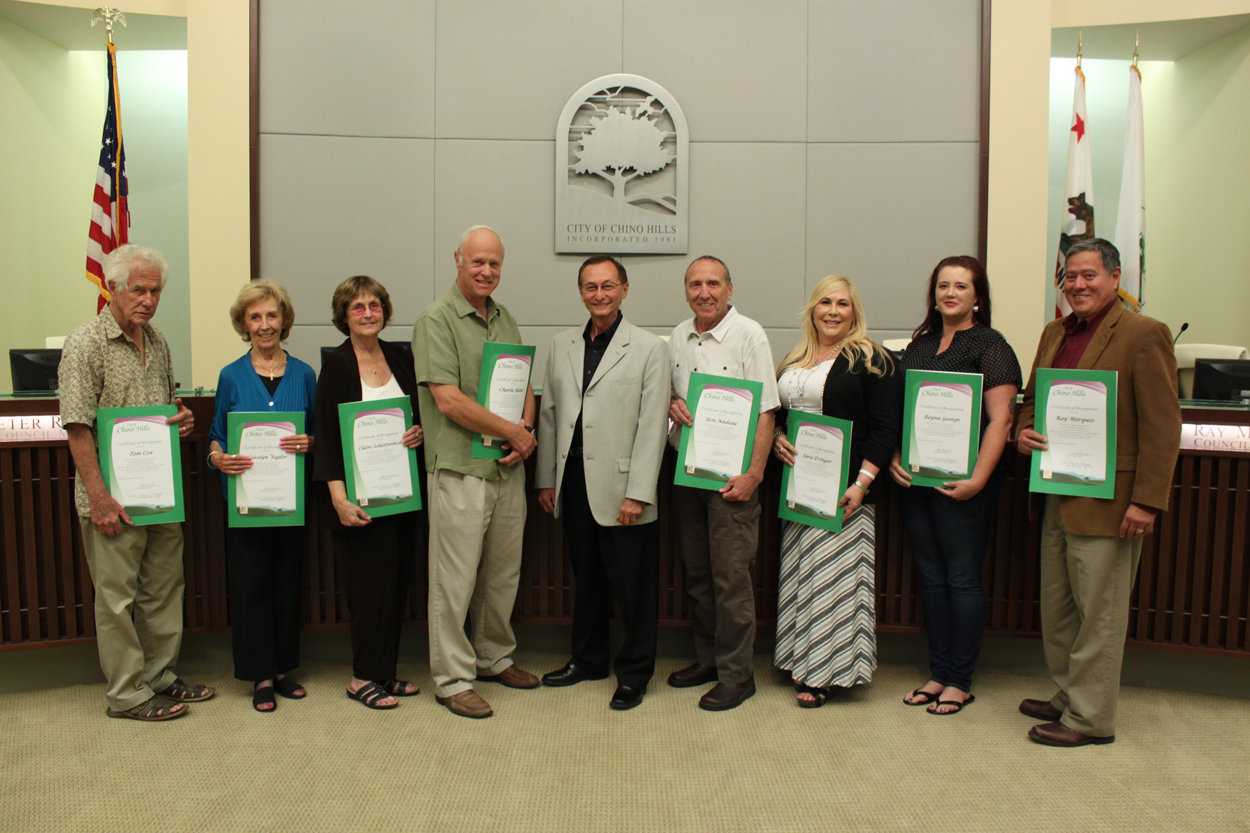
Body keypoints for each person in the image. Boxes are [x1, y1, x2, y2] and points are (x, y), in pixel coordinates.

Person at [1015, 238, 1181, 747]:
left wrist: (1147, 501)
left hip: (1111, 501)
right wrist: (1023, 431)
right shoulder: (1054, 332)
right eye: (1070, 276)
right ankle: (1069, 694)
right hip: (1054, 491)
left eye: (1089, 275)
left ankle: (1090, 719)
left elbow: (1163, 425)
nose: (1078, 285)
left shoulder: (1144, 334)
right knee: (1059, 607)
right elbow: (1031, 399)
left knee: (1100, 613)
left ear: (1114, 277)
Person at [58, 244, 213, 721]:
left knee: (164, 587)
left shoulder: (158, 340)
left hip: (160, 493)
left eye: (155, 291)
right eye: (138, 290)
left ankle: (159, 676)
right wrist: (99, 499)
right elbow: (77, 427)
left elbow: (167, 407)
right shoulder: (86, 343)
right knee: (117, 597)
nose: (148, 300)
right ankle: (127, 694)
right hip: (113, 498)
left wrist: (183, 420)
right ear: (113, 288)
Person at [414, 225, 540, 720]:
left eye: (494, 263)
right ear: (458, 261)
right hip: (460, 468)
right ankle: (452, 679)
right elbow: (448, 400)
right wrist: (514, 433)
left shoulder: (505, 318)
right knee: (455, 581)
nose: (486, 271)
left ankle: (492, 657)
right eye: (477, 261)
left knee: (502, 574)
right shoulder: (436, 319)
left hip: (506, 468)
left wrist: (524, 428)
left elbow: (523, 381)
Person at [536, 256, 670, 711]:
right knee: (587, 579)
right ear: (580, 293)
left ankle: (634, 674)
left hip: (623, 487)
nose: (600, 294)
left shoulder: (649, 348)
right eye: (591, 287)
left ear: (624, 289)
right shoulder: (561, 345)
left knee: (633, 586)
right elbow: (550, 413)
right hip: (573, 481)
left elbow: (652, 426)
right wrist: (546, 478)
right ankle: (588, 660)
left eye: (608, 286)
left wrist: (639, 491)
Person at [888, 256, 1021, 715]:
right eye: (943, 285)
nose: (950, 293)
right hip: (917, 481)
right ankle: (938, 672)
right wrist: (894, 456)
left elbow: (1001, 420)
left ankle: (959, 680)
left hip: (966, 484)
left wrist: (978, 480)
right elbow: (901, 409)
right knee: (932, 577)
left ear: (977, 296)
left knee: (962, 579)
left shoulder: (991, 345)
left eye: (961, 286)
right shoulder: (920, 345)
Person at [771, 275, 902, 707]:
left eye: (842, 304)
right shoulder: (795, 358)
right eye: (825, 302)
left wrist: (861, 484)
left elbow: (884, 428)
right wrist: (776, 440)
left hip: (845, 491)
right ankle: (800, 660)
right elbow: (779, 417)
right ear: (812, 309)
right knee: (803, 574)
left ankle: (828, 671)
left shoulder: (873, 359)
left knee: (833, 580)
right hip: (798, 488)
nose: (832, 311)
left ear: (854, 312)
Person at [667, 255, 780, 711]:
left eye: (713, 283)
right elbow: (674, 395)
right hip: (687, 473)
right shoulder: (678, 336)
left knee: (731, 579)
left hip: (733, 480)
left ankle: (737, 675)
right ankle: (708, 659)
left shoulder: (749, 334)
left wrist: (754, 474)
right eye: (695, 284)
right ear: (686, 291)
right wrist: (673, 403)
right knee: (697, 574)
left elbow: (767, 410)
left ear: (729, 290)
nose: (704, 292)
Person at [313, 275, 424, 711]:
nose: (367, 313)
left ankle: (385, 672)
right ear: (344, 315)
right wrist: (339, 500)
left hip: (401, 496)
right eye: (357, 307)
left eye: (374, 305)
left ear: (385, 311)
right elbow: (326, 436)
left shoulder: (400, 356)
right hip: (357, 502)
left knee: (395, 587)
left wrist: (418, 432)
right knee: (368, 591)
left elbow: (418, 413)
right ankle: (362, 677)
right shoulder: (338, 365)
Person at [208, 280, 317, 712]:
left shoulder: (305, 374)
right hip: (246, 502)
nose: (265, 324)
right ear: (244, 324)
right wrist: (218, 459)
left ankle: (283, 669)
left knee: (287, 583)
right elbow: (217, 434)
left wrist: (311, 442)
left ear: (284, 319)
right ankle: (260, 675)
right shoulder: (230, 375)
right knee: (251, 585)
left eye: (272, 315)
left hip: (290, 501)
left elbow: (320, 433)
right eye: (255, 317)